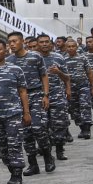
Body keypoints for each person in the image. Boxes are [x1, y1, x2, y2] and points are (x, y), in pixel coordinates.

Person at [0, 39, 32, 184]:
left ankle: (17, 176)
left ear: (5, 51)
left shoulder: (16, 69)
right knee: (2, 149)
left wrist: (26, 112)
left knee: (15, 145)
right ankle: (13, 171)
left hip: (13, 113)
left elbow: (22, 91)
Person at [6, 31, 52, 175]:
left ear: (22, 41)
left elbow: (44, 76)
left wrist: (46, 95)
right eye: (10, 42)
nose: (12, 44)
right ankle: (33, 164)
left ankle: (48, 158)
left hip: (36, 94)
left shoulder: (35, 56)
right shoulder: (9, 61)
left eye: (14, 41)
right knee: (26, 133)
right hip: (19, 99)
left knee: (39, 128)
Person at [37, 35, 71, 165]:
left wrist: (59, 73)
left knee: (60, 124)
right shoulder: (33, 58)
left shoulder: (59, 57)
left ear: (51, 44)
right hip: (39, 97)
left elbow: (67, 77)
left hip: (57, 95)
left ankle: (59, 149)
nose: (44, 44)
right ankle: (46, 150)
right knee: (41, 126)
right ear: (37, 44)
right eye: (41, 42)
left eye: (47, 42)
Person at [63, 38, 93, 139]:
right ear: (66, 48)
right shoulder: (63, 59)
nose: (71, 48)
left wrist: (92, 87)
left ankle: (87, 129)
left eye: (73, 46)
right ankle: (81, 127)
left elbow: (89, 72)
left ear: (77, 47)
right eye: (69, 46)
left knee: (85, 106)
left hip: (83, 85)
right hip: (70, 88)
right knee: (74, 109)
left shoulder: (83, 58)